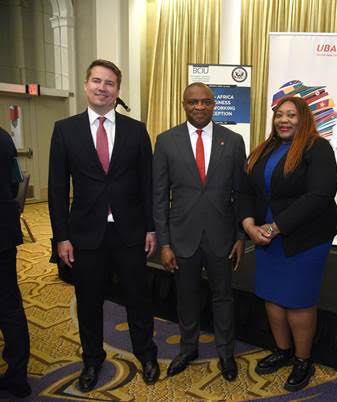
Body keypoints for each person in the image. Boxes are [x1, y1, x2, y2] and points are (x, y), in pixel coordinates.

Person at [48, 59, 159, 392]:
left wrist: (151, 228)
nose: (102, 87)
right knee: (89, 302)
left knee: (138, 298)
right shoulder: (64, 130)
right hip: (85, 235)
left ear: (117, 90)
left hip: (130, 233)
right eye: (96, 81)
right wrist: (61, 237)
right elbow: (57, 189)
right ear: (86, 85)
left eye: (109, 83)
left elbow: (148, 185)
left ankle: (146, 353)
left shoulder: (136, 130)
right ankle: (92, 360)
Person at [240, 96, 337, 392]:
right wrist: (248, 225)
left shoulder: (317, 147)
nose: (284, 120)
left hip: (305, 237)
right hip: (264, 235)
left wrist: (275, 227)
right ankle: (282, 351)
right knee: (272, 296)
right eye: (279, 115)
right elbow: (246, 190)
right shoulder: (265, 149)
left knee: (298, 299)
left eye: (291, 115)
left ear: (304, 118)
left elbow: (320, 195)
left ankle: (303, 360)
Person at [153, 82, 246, 382]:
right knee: (186, 297)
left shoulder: (234, 141)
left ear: (214, 104)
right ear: (184, 104)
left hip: (222, 237)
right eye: (193, 102)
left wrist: (240, 236)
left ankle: (226, 353)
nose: (200, 107)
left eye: (206, 101)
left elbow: (240, 194)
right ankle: (188, 348)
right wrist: (164, 244)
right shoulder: (166, 141)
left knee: (223, 298)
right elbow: (159, 196)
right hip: (182, 237)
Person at [0, 127, 31, 399]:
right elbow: (13, 185)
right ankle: (18, 375)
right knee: (10, 307)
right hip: (3, 234)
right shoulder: (3, 137)